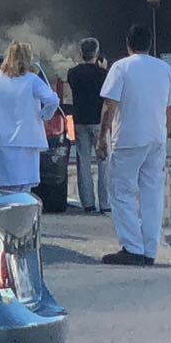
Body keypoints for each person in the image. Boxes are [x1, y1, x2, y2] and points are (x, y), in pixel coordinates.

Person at [97, 23, 171, 265]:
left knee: (121, 192)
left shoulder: (120, 67)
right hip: (156, 139)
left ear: (128, 44)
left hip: (128, 139)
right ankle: (150, 250)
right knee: (152, 194)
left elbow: (109, 105)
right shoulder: (164, 69)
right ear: (150, 44)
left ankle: (132, 247)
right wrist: (164, 134)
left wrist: (102, 137)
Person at [0, 41, 61, 193]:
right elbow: (53, 100)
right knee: (22, 192)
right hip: (24, 144)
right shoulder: (32, 80)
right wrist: (44, 116)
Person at [67, 37, 110, 214]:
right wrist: (104, 69)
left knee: (83, 163)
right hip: (99, 122)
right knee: (104, 163)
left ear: (80, 53)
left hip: (80, 122)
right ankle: (105, 203)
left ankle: (88, 203)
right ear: (97, 53)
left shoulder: (72, 73)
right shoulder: (103, 75)